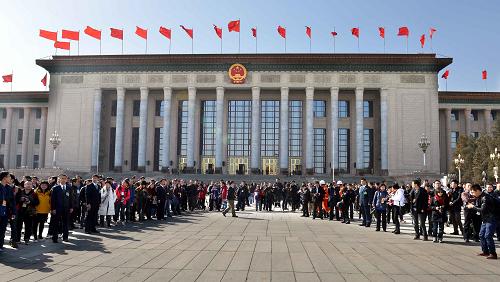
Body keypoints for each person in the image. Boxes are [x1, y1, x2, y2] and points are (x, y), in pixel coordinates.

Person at [467, 184, 498, 259]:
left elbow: (482, 209)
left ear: (477, 191)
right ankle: (485, 251)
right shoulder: (480, 197)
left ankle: (493, 253)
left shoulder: (486, 197)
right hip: (485, 219)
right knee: (481, 235)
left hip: (491, 218)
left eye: (473, 192)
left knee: (488, 235)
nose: (472, 194)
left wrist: (473, 207)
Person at [50, 174, 74, 243]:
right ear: (59, 179)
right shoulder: (55, 188)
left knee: (66, 223)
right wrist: (53, 209)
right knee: (56, 223)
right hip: (57, 208)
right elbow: (53, 200)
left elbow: (71, 198)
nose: (63, 180)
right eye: (62, 178)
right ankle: (55, 238)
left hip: (66, 208)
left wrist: (71, 207)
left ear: (66, 179)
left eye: (64, 178)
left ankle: (65, 237)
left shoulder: (69, 188)